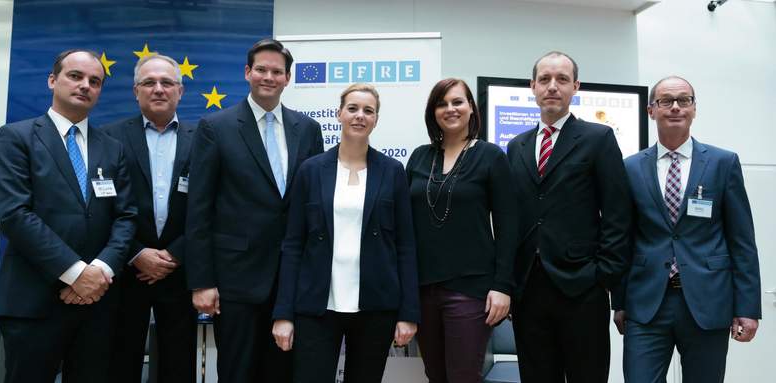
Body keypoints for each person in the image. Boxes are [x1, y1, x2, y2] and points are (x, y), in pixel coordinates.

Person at [0, 49, 137, 382]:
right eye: (75, 76)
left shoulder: (113, 148)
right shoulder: (17, 137)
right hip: (33, 302)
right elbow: (15, 214)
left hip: (97, 304)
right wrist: (74, 273)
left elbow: (126, 217)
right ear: (52, 80)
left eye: (94, 81)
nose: (85, 85)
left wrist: (99, 270)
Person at [185, 38, 324, 382]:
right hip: (236, 282)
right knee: (238, 372)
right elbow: (199, 209)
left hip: (292, 280)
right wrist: (202, 281)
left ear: (287, 79)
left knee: (283, 373)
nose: (269, 77)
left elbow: (312, 205)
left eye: (277, 71)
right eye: (261, 69)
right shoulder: (215, 128)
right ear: (247, 73)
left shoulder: (308, 129)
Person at [613, 76, 761, 383]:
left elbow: (742, 241)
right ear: (651, 110)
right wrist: (620, 301)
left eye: (684, 100)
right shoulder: (630, 168)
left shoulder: (723, 163)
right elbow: (623, 239)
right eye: (666, 101)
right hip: (646, 303)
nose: (676, 107)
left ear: (694, 109)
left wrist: (747, 307)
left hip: (708, 301)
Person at [271, 83, 419, 383]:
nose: (359, 116)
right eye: (352, 108)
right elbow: (293, 245)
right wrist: (283, 313)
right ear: (339, 114)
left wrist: (408, 313)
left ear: (376, 119)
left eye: (368, 111)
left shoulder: (392, 171)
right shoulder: (311, 170)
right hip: (317, 305)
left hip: (375, 306)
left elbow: (405, 246)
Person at [505, 51, 632, 383]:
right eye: (544, 79)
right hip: (528, 288)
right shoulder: (516, 146)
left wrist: (604, 275)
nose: (552, 86)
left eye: (561, 79)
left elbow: (618, 213)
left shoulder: (598, 138)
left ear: (575, 86)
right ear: (532, 86)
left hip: (582, 288)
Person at [405, 78, 515, 383]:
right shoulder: (418, 158)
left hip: (470, 289)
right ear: (433, 112)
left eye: (458, 102)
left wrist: (503, 286)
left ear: (471, 109)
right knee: (435, 376)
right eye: (442, 103)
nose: (450, 109)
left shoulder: (491, 156)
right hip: (423, 289)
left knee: (463, 376)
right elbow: (404, 228)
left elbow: (508, 226)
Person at [101, 54, 197, 383]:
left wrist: (176, 254)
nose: (158, 89)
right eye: (149, 83)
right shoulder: (107, 138)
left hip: (180, 273)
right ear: (135, 91)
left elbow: (212, 207)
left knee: (178, 365)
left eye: (167, 83)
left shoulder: (203, 139)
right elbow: (100, 209)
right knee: (119, 362)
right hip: (125, 273)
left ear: (180, 91)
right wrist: (136, 254)